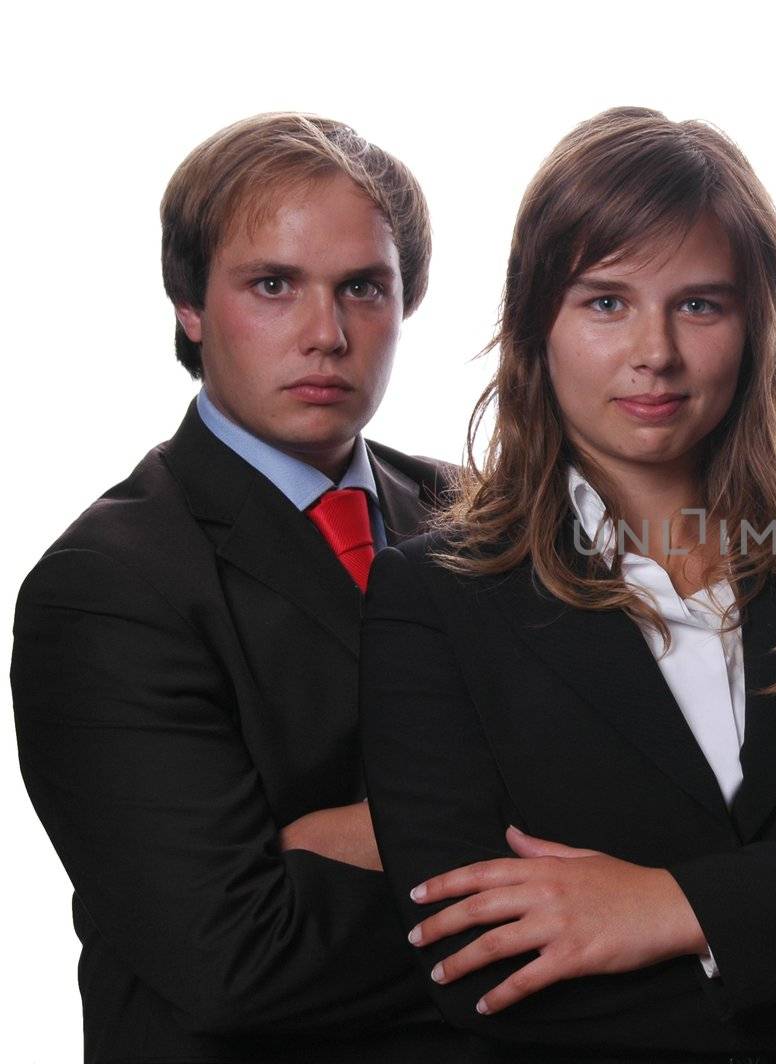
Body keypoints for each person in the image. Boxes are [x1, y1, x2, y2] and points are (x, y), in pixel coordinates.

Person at [357, 106, 776, 1062]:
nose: (656, 353)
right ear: (534, 323)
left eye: (700, 304)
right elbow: (481, 971)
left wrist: (666, 908)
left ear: (755, 324)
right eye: (606, 301)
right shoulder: (434, 598)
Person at [11, 114, 484, 1062]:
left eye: (364, 288)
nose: (327, 333)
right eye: (274, 285)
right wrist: (541, 847)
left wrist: (344, 838)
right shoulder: (104, 585)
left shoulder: (481, 517)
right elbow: (235, 957)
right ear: (189, 305)